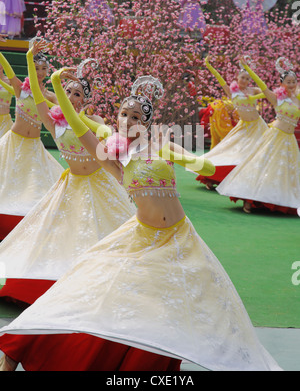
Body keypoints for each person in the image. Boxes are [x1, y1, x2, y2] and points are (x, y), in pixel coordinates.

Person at [0, 73, 281, 371]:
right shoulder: (111, 156)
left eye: (136, 116)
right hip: (139, 238)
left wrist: (174, 151)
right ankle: (17, 350)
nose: (128, 120)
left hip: (179, 238)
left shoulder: (159, 147)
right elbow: (76, 121)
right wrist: (56, 81)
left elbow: (207, 166)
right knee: (83, 290)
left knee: (205, 302)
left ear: (146, 123)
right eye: (124, 114)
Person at [0, 40, 135, 305]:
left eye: (77, 95)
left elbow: (108, 136)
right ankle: (43, 286)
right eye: (69, 92)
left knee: (96, 237)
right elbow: (39, 97)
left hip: (98, 185)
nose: (71, 97)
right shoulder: (52, 120)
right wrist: (29, 57)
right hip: (71, 184)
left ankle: (90, 289)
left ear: (86, 102)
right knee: (59, 235)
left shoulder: (94, 122)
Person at [217, 56, 300, 215]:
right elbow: (261, 84)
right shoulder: (276, 98)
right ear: (281, 84)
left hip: (289, 140)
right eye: (288, 81)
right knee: (261, 166)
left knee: (285, 171)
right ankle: (249, 200)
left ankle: (280, 202)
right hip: (275, 136)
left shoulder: (298, 99)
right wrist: (248, 69)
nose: (291, 84)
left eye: (293, 81)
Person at [0, 46, 62, 238]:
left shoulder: (50, 96)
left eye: (44, 68)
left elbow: (66, 110)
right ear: (30, 69)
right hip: (13, 142)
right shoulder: (19, 88)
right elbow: (7, 67)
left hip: (34, 146)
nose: (40, 72)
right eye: (36, 68)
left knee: (35, 190)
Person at [196, 55, 268, 191]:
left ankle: (255, 182)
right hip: (244, 126)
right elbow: (220, 80)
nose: (245, 81)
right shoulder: (232, 92)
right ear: (237, 78)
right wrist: (209, 65)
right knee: (230, 152)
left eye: (248, 79)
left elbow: (268, 93)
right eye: (243, 78)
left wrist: (254, 97)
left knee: (260, 152)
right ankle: (212, 177)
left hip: (258, 125)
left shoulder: (253, 90)